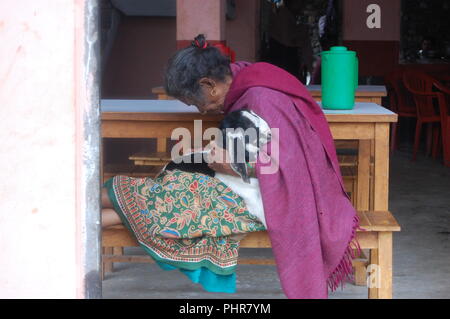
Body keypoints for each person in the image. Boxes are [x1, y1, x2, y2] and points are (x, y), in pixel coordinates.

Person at [161, 34, 360, 299]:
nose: (201, 111)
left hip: (303, 194)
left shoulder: (260, 99)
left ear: (209, 84)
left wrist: (226, 164)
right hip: (276, 179)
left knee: (183, 201)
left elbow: (284, 166)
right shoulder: (246, 76)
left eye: (196, 102)